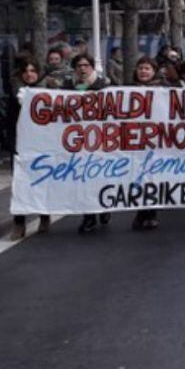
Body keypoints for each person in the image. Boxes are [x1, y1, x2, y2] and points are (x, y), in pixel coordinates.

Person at [63, 53, 112, 234]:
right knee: (84, 180)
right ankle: (89, 216)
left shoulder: (104, 86)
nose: (82, 69)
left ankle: (103, 207)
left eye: (85, 65)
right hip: (78, 142)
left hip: (101, 141)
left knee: (99, 177)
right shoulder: (68, 88)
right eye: (79, 66)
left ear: (92, 67)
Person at [8, 58, 51, 239]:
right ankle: (19, 223)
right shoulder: (15, 94)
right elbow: (10, 123)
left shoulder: (49, 94)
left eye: (33, 70)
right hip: (21, 146)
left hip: (42, 146)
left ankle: (44, 216)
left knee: (42, 182)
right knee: (20, 184)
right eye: (26, 71)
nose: (29, 74)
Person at [128, 56, 163, 230]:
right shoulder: (127, 90)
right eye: (140, 68)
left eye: (147, 68)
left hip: (156, 140)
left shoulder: (164, 91)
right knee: (137, 177)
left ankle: (151, 213)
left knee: (153, 177)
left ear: (154, 71)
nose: (143, 71)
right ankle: (140, 211)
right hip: (135, 140)